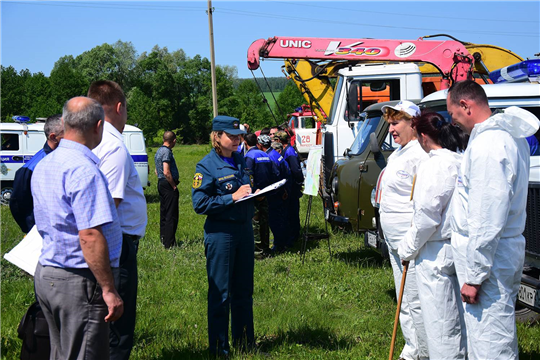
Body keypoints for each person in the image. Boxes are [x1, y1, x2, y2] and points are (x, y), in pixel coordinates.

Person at [447, 80, 539, 359]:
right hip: (494, 254)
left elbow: (487, 216)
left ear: (466, 106)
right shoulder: (504, 137)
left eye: (453, 115)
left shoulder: (490, 145)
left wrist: (475, 277)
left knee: (490, 340)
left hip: (490, 258)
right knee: (487, 331)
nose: (454, 124)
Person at [32, 97, 123, 359]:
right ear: (99, 126)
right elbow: (90, 236)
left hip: (49, 273)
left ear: (63, 122)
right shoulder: (84, 170)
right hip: (79, 281)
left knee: (62, 353)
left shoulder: (45, 163)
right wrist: (108, 289)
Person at [397, 110, 467, 359]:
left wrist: (407, 248)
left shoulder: (434, 165)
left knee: (442, 324)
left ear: (424, 137)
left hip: (436, 251)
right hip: (459, 247)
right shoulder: (460, 160)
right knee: (462, 318)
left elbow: (427, 217)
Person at [88, 80, 147, 360]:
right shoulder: (114, 147)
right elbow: (106, 210)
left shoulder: (87, 141)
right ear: (120, 107)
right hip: (116, 246)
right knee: (118, 329)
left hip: (98, 246)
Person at [191, 115, 255, 357]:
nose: (237, 139)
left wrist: (252, 194)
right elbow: (200, 204)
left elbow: (243, 189)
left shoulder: (241, 160)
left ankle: (245, 343)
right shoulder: (206, 166)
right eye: (231, 135)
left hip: (244, 230)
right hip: (221, 233)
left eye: (238, 135)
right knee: (221, 293)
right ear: (217, 137)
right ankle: (219, 349)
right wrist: (232, 197)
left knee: (244, 290)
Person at [378, 100, 429, 360]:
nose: (391, 130)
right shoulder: (398, 153)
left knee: (414, 297)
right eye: (390, 124)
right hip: (392, 237)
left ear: (413, 123)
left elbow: (424, 203)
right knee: (403, 297)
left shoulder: (420, 155)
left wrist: (411, 236)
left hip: (409, 237)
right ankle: (412, 348)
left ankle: (424, 351)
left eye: (396, 123)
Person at [10, 114, 63, 233]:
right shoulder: (33, 166)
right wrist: (31, 228)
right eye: (68, 134)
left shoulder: (65, 159)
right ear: (53, 137)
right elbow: (17, 202)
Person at [244, 133, 278, 258]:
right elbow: (274, 173)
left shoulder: (249, 156)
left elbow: (248, 176)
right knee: (265, 221)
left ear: (245, 143)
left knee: (255, 223)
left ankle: (258, 252)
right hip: (265, 193)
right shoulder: (265, 154)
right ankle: (266, 248)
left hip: (254, 195)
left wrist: (253, 191)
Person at [258, 134, 291, 252]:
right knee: (280, 218)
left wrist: (282, 190)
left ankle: (279, 245)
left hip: (276, 193)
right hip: (283, 189)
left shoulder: (269, 157)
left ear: (260, 145)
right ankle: (282, 242)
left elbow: (276, 176)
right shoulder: (275, 153)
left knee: (275, 220)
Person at [274, 130, 304, 246]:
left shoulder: (289, 152)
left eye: (276, 139)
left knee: (292, 211)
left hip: (292, 187)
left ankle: (294, 236)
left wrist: (299, 181)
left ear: (280, 140)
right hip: (289, 185)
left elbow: (296, 170)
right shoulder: (287, 150)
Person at [155, 131, 180, 249]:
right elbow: (166, 171)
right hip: (167, 184)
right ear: (173, 140)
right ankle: (169, 243)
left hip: (161, 183)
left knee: (164, 213)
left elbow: (157, 170)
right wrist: (173, 185)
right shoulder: (166, 152)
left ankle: (163, 238)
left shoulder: (159, 151)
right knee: (171, 214)